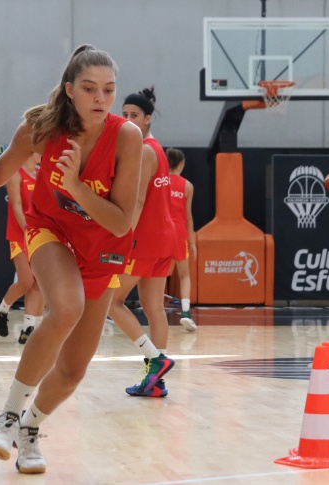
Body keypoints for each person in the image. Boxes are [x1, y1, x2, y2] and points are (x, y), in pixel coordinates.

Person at [0, 45, 143, 474]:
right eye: (89, 89)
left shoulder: (127, 137)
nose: (100, 99)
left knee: (72, 372)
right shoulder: (38, 128)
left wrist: (76, 186)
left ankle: (30, 430)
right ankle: (8, 416)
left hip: (103, 247)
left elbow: (122, 222)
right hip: (50, 229)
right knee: (66, 307)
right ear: (69, 89)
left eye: (108, 90)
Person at [107, 87, 178, 398]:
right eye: (123, 115)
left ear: (147, 119)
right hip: (164, 236)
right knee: (153, 308)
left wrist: (121, 236)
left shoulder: (144, 151)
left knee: (112, 302)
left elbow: (135, 202)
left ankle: (157, 360)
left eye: (133, 115)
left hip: (145, 238)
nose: (127, 120)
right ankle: (156, 381)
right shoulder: (156, 148)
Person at [0, 152, 44, 343]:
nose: (44, 153)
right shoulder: (16, 173)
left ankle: (29, 329)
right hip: (20, 234)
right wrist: (28, 232)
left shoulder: (41, 173)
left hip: (40, 234)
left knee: (40, 284)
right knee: (26, 280)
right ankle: (2, 309)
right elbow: (16, 206)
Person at [166, 147, 198, 331]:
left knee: (160, 274)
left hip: (161, 231)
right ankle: (186, 313)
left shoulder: (159, 182)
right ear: (182, 164)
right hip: (179, 233)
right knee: (184, 275)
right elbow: (188, 216)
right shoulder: (187, 186)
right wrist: (192, 241)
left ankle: (156, 311)